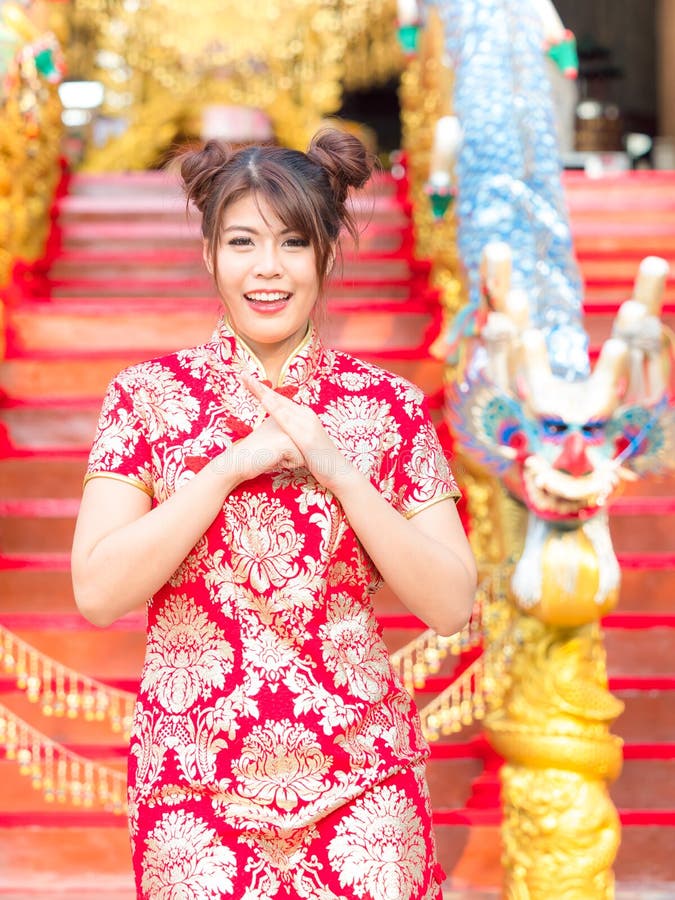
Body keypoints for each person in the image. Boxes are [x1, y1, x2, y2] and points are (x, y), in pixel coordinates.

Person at [71, 127, 477, 900]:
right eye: (242, 241)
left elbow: (451, 602)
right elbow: (96, 592)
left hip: (363, 779)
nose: (267, 268)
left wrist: (338, 470)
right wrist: (224, 469)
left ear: (326, 253)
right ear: (208, 256)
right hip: (195, 784)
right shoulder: (148, 400)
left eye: (293, 242)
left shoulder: (386, 406)